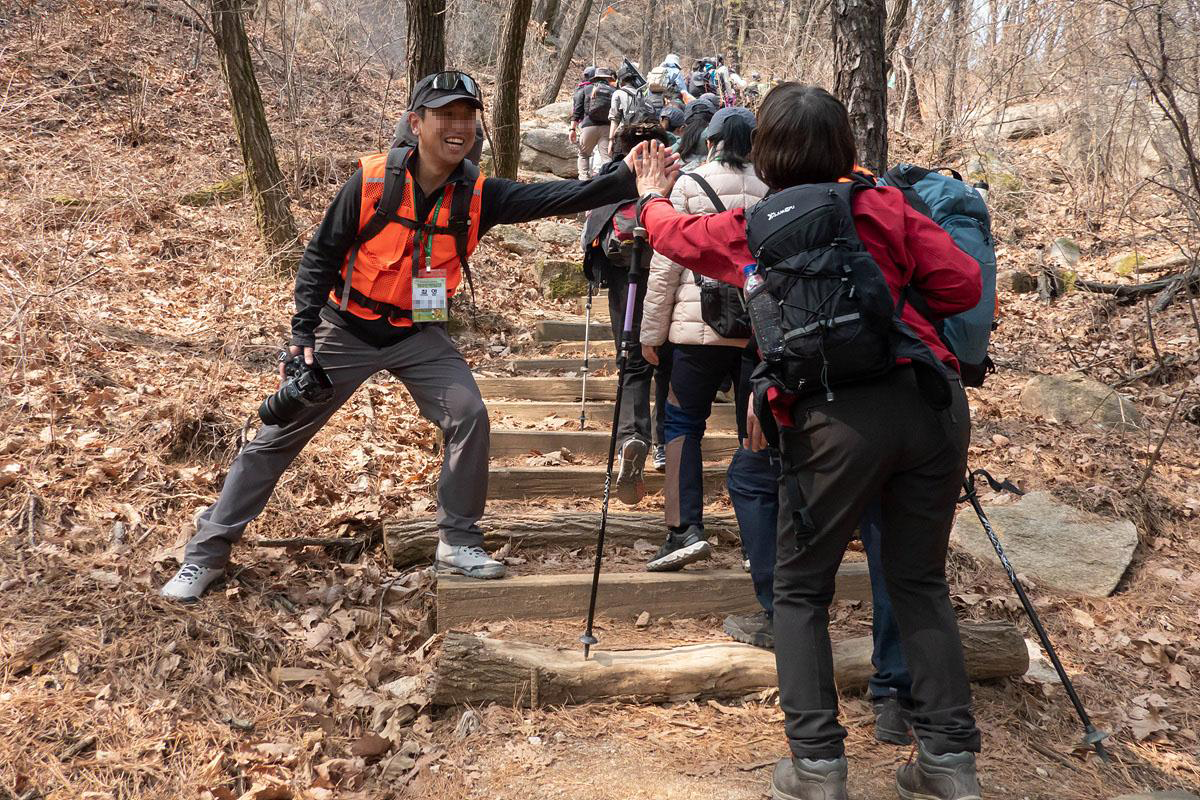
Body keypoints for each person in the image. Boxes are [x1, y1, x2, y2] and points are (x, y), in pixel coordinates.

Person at [161, 71, 642, 602]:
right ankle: (205, 554)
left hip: (417, 334)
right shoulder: (370, 181)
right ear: (416, 124)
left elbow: (556, 197)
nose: (458, 126)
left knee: (469, 414)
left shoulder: (479, 194)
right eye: (445, 115)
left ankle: (458, 541)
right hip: (345, 328)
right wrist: (301, 332)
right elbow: (320, 256)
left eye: (467, 115)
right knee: (276, 437)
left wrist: (626, 179)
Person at [631, 84, 983, 800]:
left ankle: (818, 765)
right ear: (845, 148)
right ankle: (948, 761)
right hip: (928, 405)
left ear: (768, 155)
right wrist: (886, 299)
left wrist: (650, 196)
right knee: (918, 583)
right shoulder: (887, 206)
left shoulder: (761, 223)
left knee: (798, 591)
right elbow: (964, 284)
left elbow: (676, 239)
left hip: (833, 421)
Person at [639, 107, 764, 572]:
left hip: (697, 332)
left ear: (711, 141)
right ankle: (760, 540)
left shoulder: (690, 185)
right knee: (755, 429)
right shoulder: (776, 189)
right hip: (758, 333)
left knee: (682, 424)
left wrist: (650, 334)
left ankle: (683, 530)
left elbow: (667, 262)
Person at [580, 112, 675, 501]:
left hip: (625, 279)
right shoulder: (675, 175)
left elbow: (593, 227)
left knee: (632, 358)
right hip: (669, 273)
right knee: (668, 358)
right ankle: (666, 442)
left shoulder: (613, 173)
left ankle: (630, 438)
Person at [576, 67, 616, 179]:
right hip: (607, 128)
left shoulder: (586, 89)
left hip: (588, 126)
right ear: (608, 78)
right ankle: (605, 182)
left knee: (584, 155)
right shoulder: (614, 91)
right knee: (606, 158)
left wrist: (572, 128)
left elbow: (578, 109)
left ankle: (583, 181)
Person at [609, 62, 645, 143]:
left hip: (623, 135)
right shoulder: (641, 94)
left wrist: (611, 140)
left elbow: (614, 119)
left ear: (621, 81)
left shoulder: (618, 93)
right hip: (639, 135)